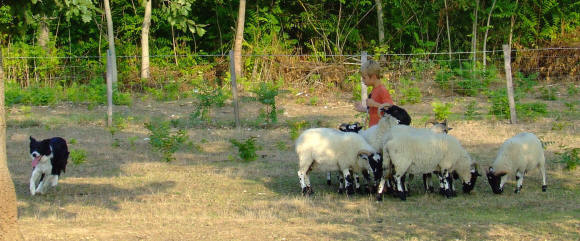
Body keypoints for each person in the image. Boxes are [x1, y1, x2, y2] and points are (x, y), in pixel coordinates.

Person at [354, 59, 394, 127]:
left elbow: (391, 110)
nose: (363, 81)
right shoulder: (374, 90)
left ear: (373, 77)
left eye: (364, 78)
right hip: (374, 130)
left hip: (381, 132)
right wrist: (363, 109)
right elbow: (375, 112)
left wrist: (374, 104)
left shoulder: (382, 90)